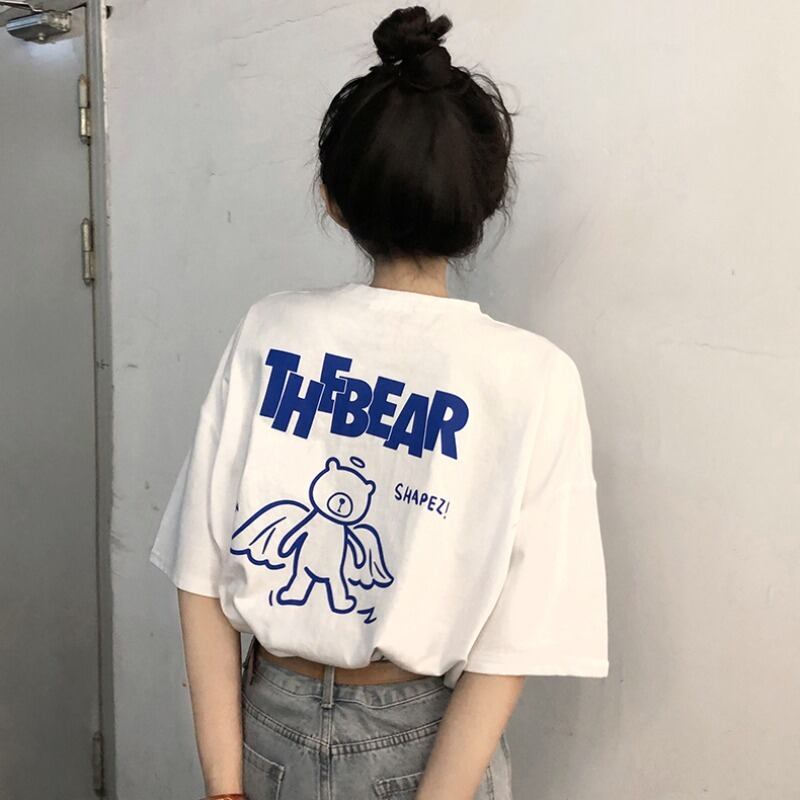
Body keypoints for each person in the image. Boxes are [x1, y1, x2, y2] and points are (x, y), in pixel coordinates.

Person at [148, 6, 609, 799]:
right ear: (484, 203)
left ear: (333, 197)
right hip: (423, 745)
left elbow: (200, 572)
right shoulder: (534, 376)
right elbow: (514, 643)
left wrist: (223, 786)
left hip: (267, 731)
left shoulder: (271, 330)